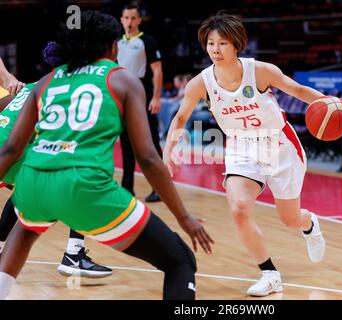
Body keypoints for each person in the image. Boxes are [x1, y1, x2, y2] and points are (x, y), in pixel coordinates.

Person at [0, 11, 213, 300]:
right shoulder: (122, 79)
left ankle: (61, 259)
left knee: (25, 230)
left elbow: (11, 150)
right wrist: (184, 216)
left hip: (33, 184)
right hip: (83, 185)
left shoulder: (47, 81)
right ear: (113, 47)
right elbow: (148, 158)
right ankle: (74, 255)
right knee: (180, 261)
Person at [163, 12, 339, 297]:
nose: (215, 50)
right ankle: (270, 274)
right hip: (241, 147)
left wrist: (330, 103)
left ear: (236, 45)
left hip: (279, 146)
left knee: (290, 219)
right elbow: (181, 118)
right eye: (210, 44)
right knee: (239, 209)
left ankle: (309, 224)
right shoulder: (201, 83)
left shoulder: (259, 71)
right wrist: (168, 150)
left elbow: (296, 90)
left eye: (222, 44)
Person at [0, 43, 113, 279]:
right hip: (9, 154)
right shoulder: (68, 92)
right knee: (79, 173)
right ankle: (74, 255)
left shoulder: (35, 85)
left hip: (9, 150)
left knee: (31, 184)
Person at [117, 3, 163, 203]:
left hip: (143, 93)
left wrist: (156, 97)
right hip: (122, 95)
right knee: (126, 143)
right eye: (126, 18)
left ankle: (159, 188)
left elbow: (157, 71)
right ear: (121, 20)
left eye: (133, 18)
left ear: (139, 20)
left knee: (150, 142)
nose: (129, 22)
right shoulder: (116, 42)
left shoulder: (148, 41)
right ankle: (127, 189)